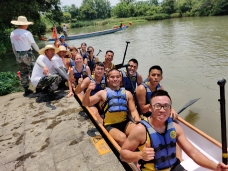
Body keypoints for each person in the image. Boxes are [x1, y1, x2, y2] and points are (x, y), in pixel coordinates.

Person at [120, 90, 228, 171]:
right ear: (150, 108)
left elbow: (193, 153)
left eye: (166, 106)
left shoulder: (175, 128)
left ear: (170, 109)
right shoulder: (140, 130)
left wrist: (215, 166)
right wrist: (139, 155)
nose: (162, 110)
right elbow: (123, 155)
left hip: (174, 167)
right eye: (157, 106)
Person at [82, 69, 141, 146]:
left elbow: (133, 110)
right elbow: (85, 103)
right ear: (108, 79)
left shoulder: (127, 93)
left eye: (117, 77)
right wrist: (88, 90)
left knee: (139, 132)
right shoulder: (102, 93)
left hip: (125, 122)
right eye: (112, 77)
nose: (115, 79)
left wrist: (138, 121)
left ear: (120, 78)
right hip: (110, 125)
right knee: (122, 138)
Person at [10, 16, 40, 96]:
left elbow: (13, 47)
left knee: (23, 72)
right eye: (26, 24)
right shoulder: (27, 33)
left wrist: (16, 55)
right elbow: (34, 44)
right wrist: (39, 51)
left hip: (18, 55)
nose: (27, 26)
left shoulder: (12, 33)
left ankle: (26, 90)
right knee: (34, 71)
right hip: (27, 54)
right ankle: (38, 88)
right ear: (24, 24)